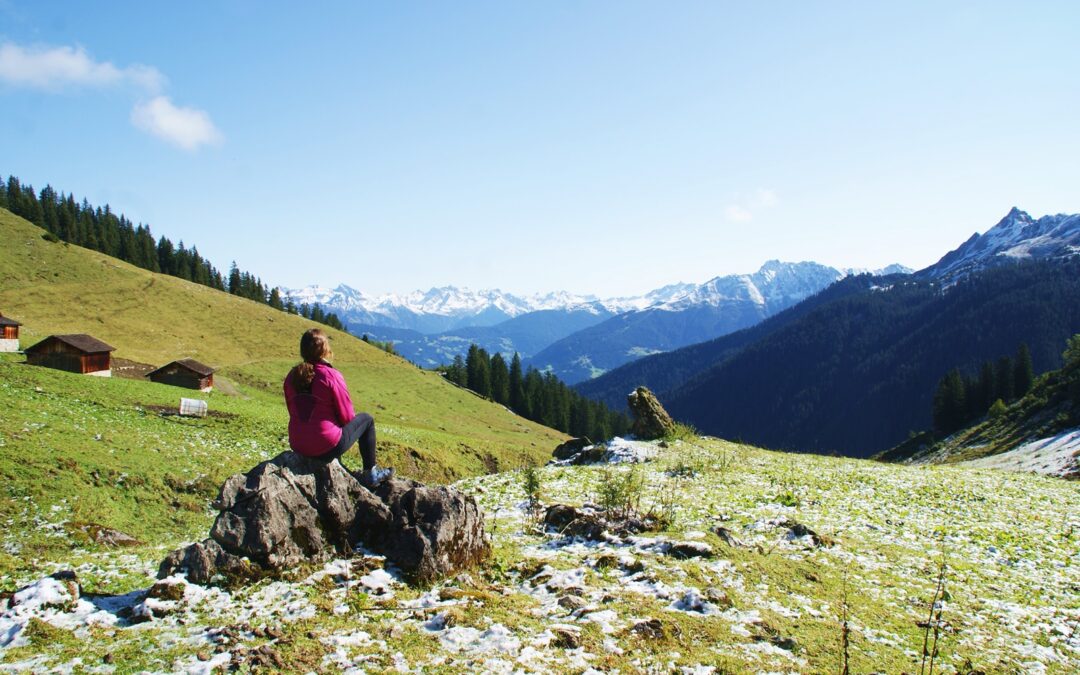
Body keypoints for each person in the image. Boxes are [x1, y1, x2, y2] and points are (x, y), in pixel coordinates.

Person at [283, 328, 393, 487]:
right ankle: (371, 473)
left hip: (297, 444)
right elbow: (347, 417)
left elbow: (293, 411)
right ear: (324, 350)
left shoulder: (291, 376)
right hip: (326, 446)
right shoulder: (330, 375)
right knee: (367, 420)